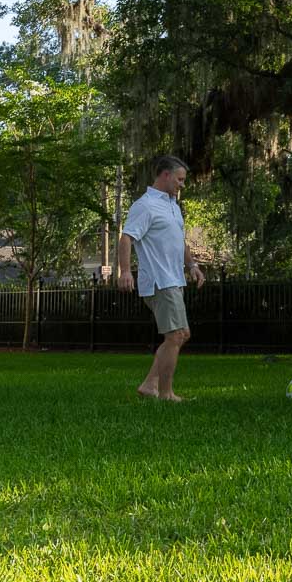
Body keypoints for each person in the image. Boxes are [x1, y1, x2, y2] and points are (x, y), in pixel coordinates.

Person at [118, 155, 204, 402]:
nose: (182, 185)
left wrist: (192, 265)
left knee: (182, 334)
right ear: (165, 175)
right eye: (179, 179)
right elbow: (127, 238)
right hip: (159, 280)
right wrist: (125, 272)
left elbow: (179, 239)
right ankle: (166, 394)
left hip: (174, 278)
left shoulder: (173, 205)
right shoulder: (145, 206)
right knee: (175, 335)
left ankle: (149, 385)